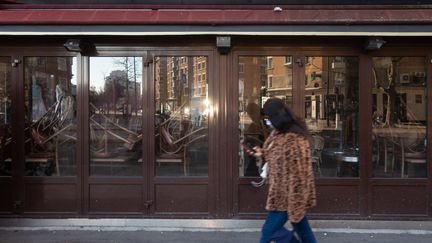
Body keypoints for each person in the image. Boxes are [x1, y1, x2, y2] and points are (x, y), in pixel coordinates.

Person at [250, 98, 317, 243]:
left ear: (276, 117)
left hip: (288, 196)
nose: (267, 122)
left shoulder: (294, 139)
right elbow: (275, 154)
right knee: (304, 231)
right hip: (281, 193)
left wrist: (296, 200)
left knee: (268, 232)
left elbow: (300, 173)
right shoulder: (278, 133)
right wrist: (261, 153)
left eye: (268, 118)